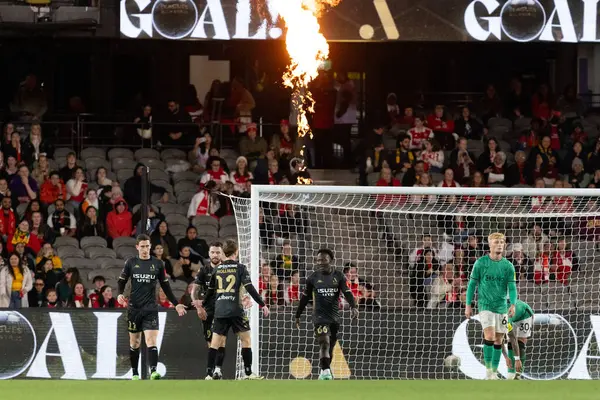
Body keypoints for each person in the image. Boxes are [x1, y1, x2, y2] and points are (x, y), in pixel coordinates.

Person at [117, 234, 186, 380]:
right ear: (137, 247)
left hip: (150, 308)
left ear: (150, 247)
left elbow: (166, 287)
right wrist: (120, 294)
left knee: (151, 341)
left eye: (147, 246)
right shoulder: (131, 262)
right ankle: (135, 373)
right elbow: (121, 281)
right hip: (134, 308)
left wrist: (176, 304)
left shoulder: (158, 264)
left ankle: (153, 371)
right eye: (142, 246)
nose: (145, 249)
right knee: (135, 342)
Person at [197, 239, 268, 380]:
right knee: (246, 340)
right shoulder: (240, 268)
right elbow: (249, 287)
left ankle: (209, 374)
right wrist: (262, 303)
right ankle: (248, 373)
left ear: (223, 252)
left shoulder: (217, 269)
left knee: (215, 343)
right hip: (236, 310)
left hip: (220, 310)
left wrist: (202, 304)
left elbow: (210, 291)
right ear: (236, 252)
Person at [295, 249, 358, 380]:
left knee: (331, 345)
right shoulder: (313, 277)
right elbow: (305, 298)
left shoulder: (339, 276)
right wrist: (297, 314)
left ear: (331, 260)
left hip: (334, 317)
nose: (320, 262)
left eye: (323, 259)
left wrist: (354, 306)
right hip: (319, 316)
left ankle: (324, 371)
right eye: (318, 260)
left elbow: (347, 292)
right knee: (324, 342)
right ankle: (326, 371)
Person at [465, 232, 517, 380]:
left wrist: (512, 304)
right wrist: (468, 305)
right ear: (489, 244)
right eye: (496, 242)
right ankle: (488, 370)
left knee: (499, 340)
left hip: (501, 307)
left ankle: (493, 372)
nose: (499, 244)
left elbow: (512, 288)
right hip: (485, 305)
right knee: (489, 335)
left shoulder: (508, 266)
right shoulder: (481, 263)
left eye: (502, 241)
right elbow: (472, 285)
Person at [191, 242, 223, 349]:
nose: (215, 255)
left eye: (218, 252)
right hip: (208, 309)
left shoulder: (228, 270)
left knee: (222, 340)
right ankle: (213, 365)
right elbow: (194, 291)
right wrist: (199, 308)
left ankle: (218, 365)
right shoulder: (204, 270)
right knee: (210, 341)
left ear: (222, 253)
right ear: (209, 254)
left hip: (224, 308)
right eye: (213, 252)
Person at [502, 299, 534, 380]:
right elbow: (499, 340)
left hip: (524, 313)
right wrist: (506, 357)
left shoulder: (505, 319)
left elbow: (512, 338)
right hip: (510, 314)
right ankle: (510, 373)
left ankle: (518, 375)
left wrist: (517, 359)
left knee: (519, 341)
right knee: (509, 342)